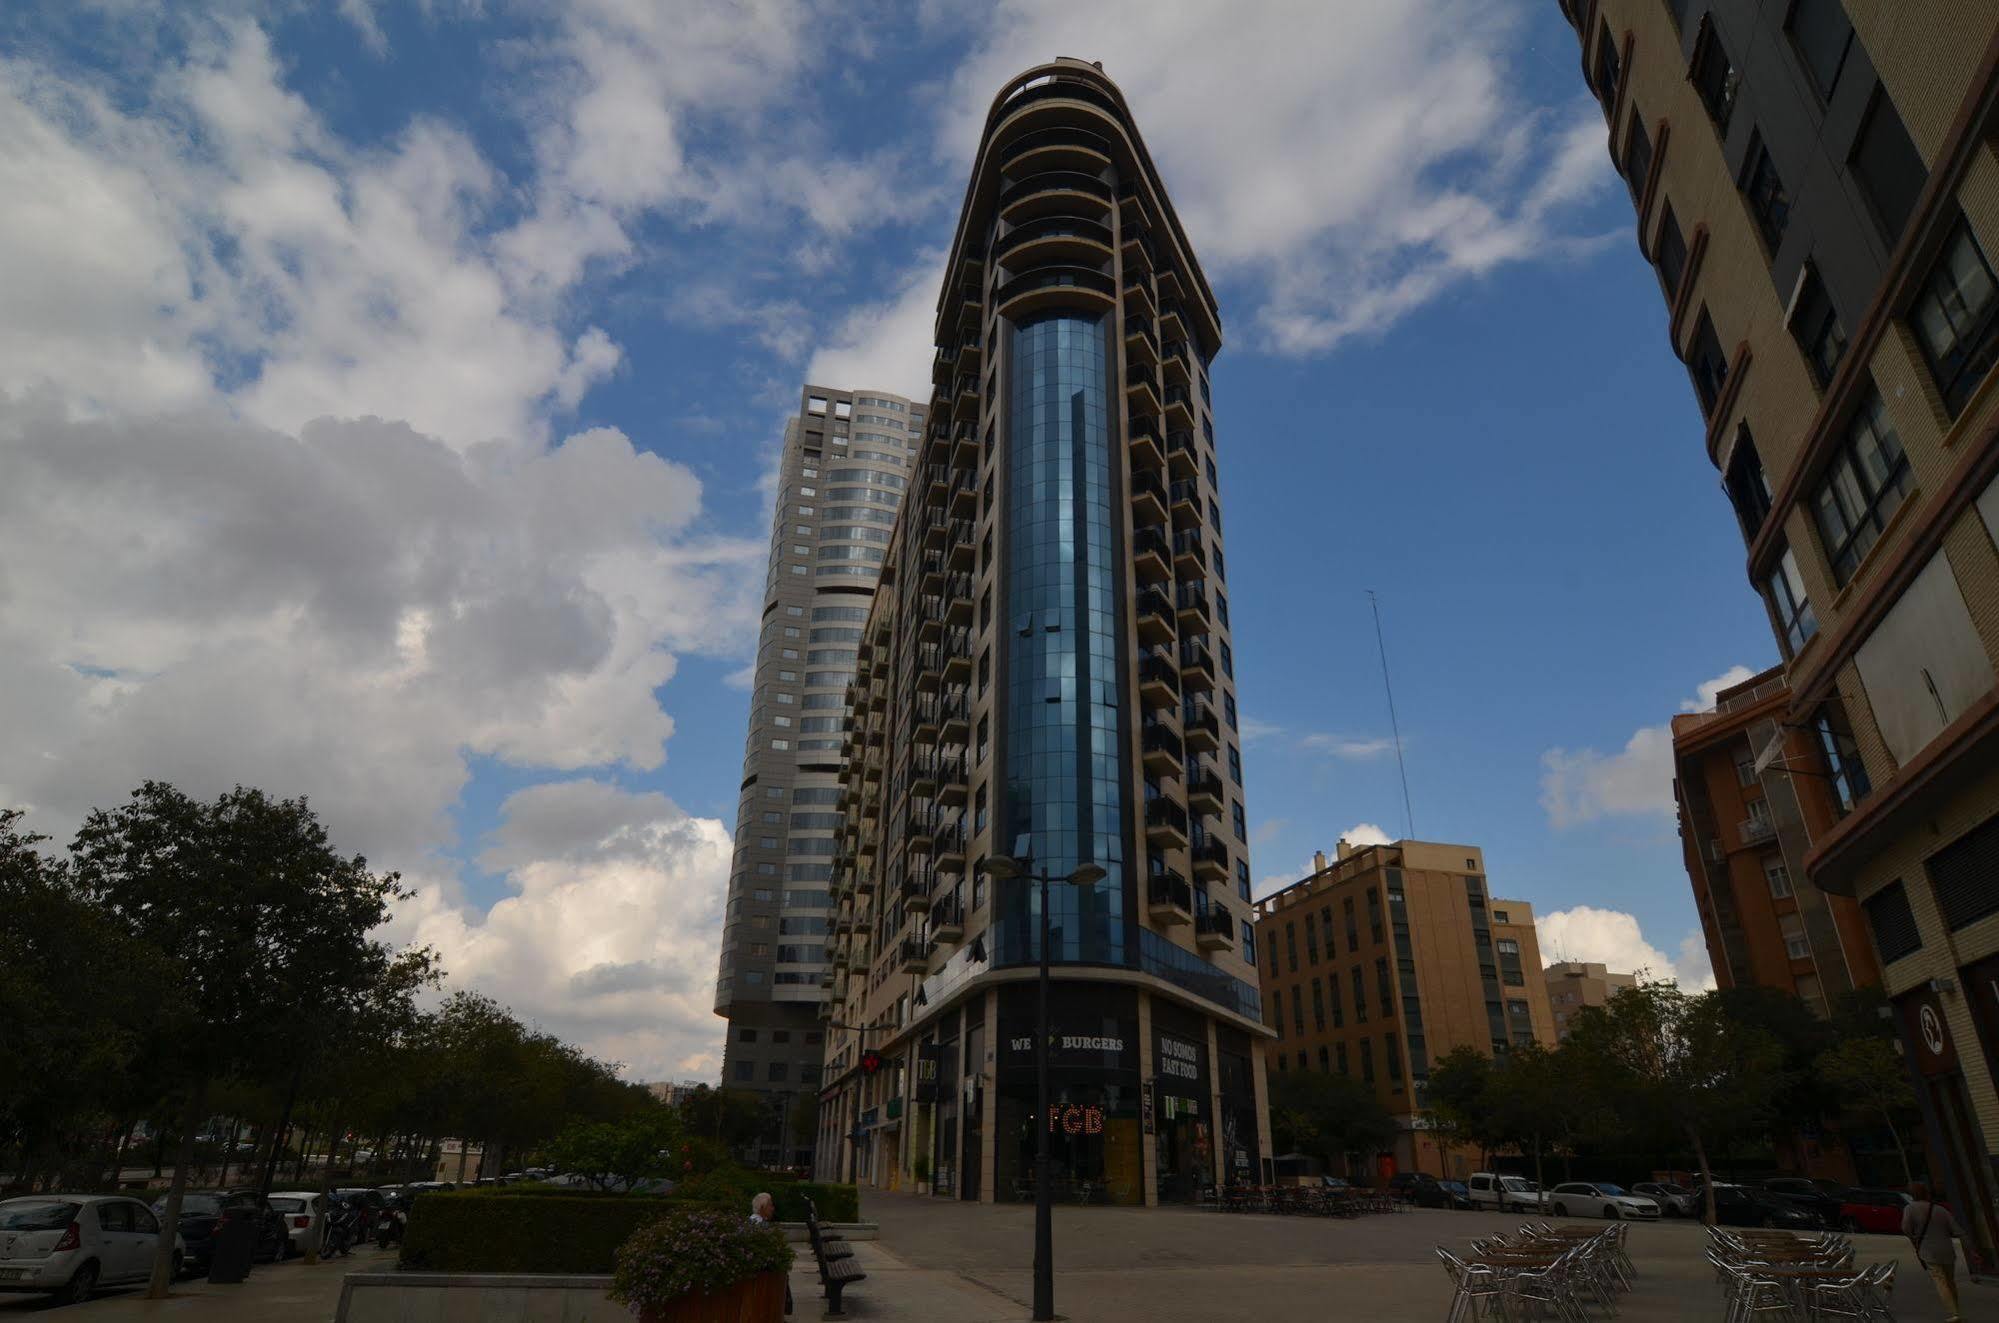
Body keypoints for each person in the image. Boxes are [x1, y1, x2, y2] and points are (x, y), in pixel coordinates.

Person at [1903, 1181, 1982, 1323]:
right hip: (1947, 1250)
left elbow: (1906, 1228)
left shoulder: (1910, 1208)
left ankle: (1954, 1313)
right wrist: (1971, 1251)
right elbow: (1958, 1231)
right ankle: (1956, 1309)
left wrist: (1914, 1237)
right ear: (1926, 1193)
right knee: (1950, 1280)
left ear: (1912, 1195)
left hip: (1928, 1250)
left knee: (1940, 1280)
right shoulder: (1940, 1209)